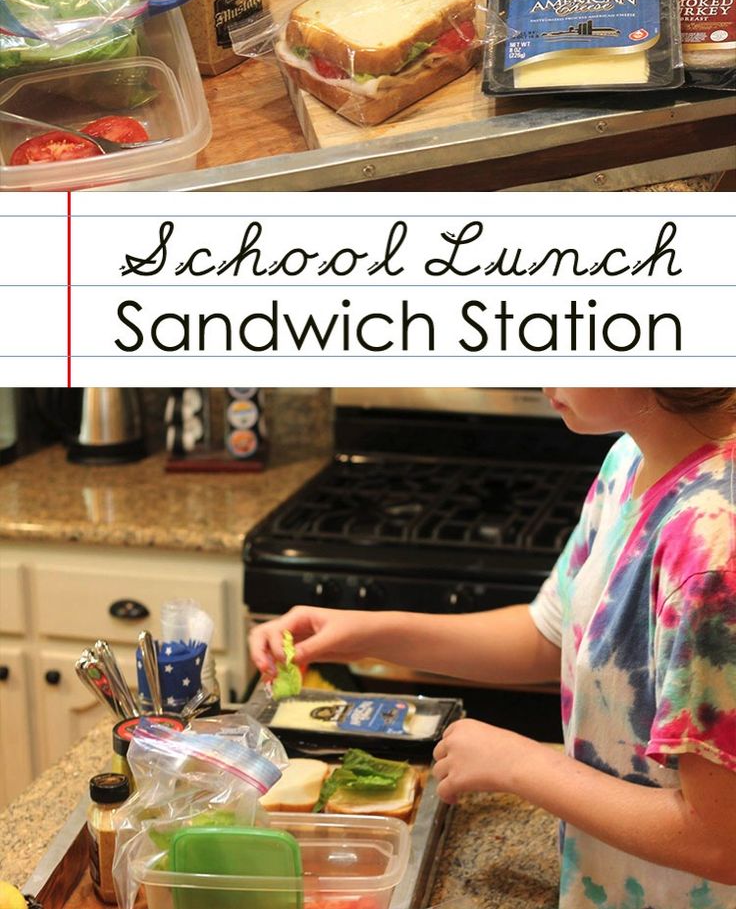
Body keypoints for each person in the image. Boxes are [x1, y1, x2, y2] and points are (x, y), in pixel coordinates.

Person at [249, 388, 736, 909]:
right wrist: (360, 632)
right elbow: (547, 636)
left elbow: (719, 841)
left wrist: (518, 765)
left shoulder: (713, 551)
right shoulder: (633, 457)